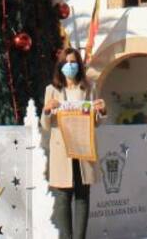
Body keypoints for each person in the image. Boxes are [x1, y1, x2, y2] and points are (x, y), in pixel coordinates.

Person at [42, 48, 106, 239]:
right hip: (62, 150)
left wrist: (101, 111)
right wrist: (46, 110)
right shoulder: (51, 90)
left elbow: (96, 121)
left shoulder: (89, 89)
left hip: (82, 147)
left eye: (74, 62)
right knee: (62, 197)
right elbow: (45, 125)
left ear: (79, 65)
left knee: (82, 196)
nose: (71, 66)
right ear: (60, 66)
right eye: (67, 62)